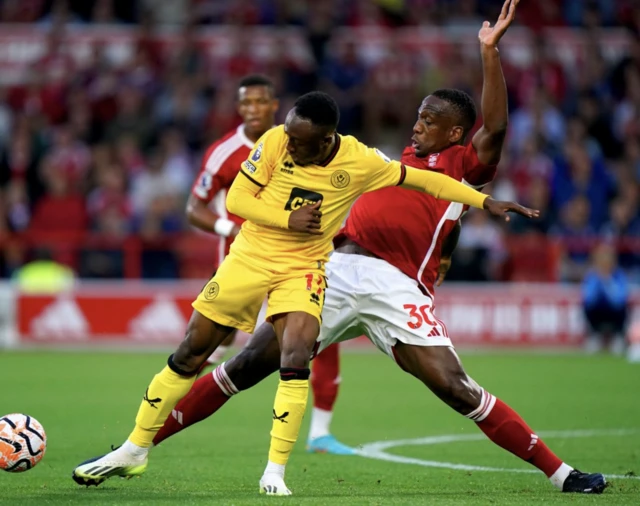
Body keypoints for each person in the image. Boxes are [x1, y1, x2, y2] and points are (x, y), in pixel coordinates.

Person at [130, 0, 604, 497]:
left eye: (429, 120)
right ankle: (136, 447)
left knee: (455, 387)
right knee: (245, 365)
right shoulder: (387, 161)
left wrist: (489, 53)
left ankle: (562, 473)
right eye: (418, 117)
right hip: (335, 269)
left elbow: (498, 128)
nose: (417, 125)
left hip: (395, 286)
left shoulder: (465, 164)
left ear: (456, 132)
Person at [72, 53, 536, 495]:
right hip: (263, 258)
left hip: (336, 273)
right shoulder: (277, 141)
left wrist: (485, 200)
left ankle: (277, 470)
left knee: (299, 361)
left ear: (327, 139)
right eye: (289, 137)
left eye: (299, 141)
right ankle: (134, 448)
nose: (288, 145)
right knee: (201, 355)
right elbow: (235, 202)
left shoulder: (374, 162)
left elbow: (446, 170)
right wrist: (285, 220)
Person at [185, 74, 353, 454]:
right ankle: (173, 408)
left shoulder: (293, 141)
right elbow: (193, 208)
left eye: (260, 102)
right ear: (238, 108)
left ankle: (320, 433)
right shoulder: (224, 151)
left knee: (311, 338)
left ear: (274, 105)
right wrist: (231, 226)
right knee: (215, 343)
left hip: (295, 259)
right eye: (245, 103)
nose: (253, 109)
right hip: (244, 255)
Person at [582, 242, 629, 355]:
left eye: (607, 260)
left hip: (613, 311)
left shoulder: (619, 275)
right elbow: (588, 299)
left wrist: (608, 283)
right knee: (587, 308)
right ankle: (594, 336)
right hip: (598, 311)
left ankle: (618, 337)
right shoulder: (592, 276)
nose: (605, 264)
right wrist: (599, 282)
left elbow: (619, 300)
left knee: (623, 309)